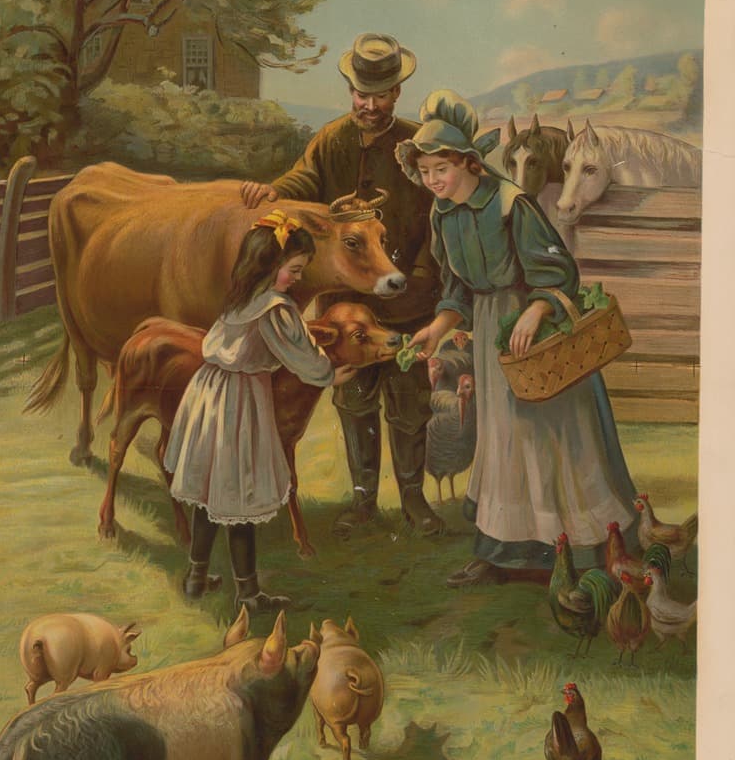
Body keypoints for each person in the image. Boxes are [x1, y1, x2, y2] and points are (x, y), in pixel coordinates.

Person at [397, 115, 639, 586]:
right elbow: (456, 289)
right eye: (424, 173)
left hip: (534, 333)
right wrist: (437, 328)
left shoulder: (512, 204)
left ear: (468, 163)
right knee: (503, 438)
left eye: (439, 170)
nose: (432, 182)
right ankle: (500, 550)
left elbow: (557, 271)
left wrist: (535, 311)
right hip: (490, 330)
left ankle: (576, 548)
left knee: (545, 435)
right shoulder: (441, 214)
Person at [240, 33, 443, 539]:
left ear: (397, 93)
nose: (368, 105)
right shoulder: (331, 140)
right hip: (346, 312)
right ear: (350, 89)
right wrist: (273, 191)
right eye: (360, 93)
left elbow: (434, 218)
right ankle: (362, 502)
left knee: (410, 405)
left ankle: (415, 501)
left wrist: (419, 281)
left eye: (378, 95)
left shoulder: (418, 146)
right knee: (353, 403)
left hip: (408, 304)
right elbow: (302, 182)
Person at [163, 210, 355, 612]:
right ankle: (249, 594)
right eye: (295, 270)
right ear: (271, 266)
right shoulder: (275, 308)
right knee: (239, 498)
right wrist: (328, 375)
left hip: (209, 395)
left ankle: (197, 576)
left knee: (208, 493)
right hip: (238, 402)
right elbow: (302, 354)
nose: (298, 279)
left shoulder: (240, 299)